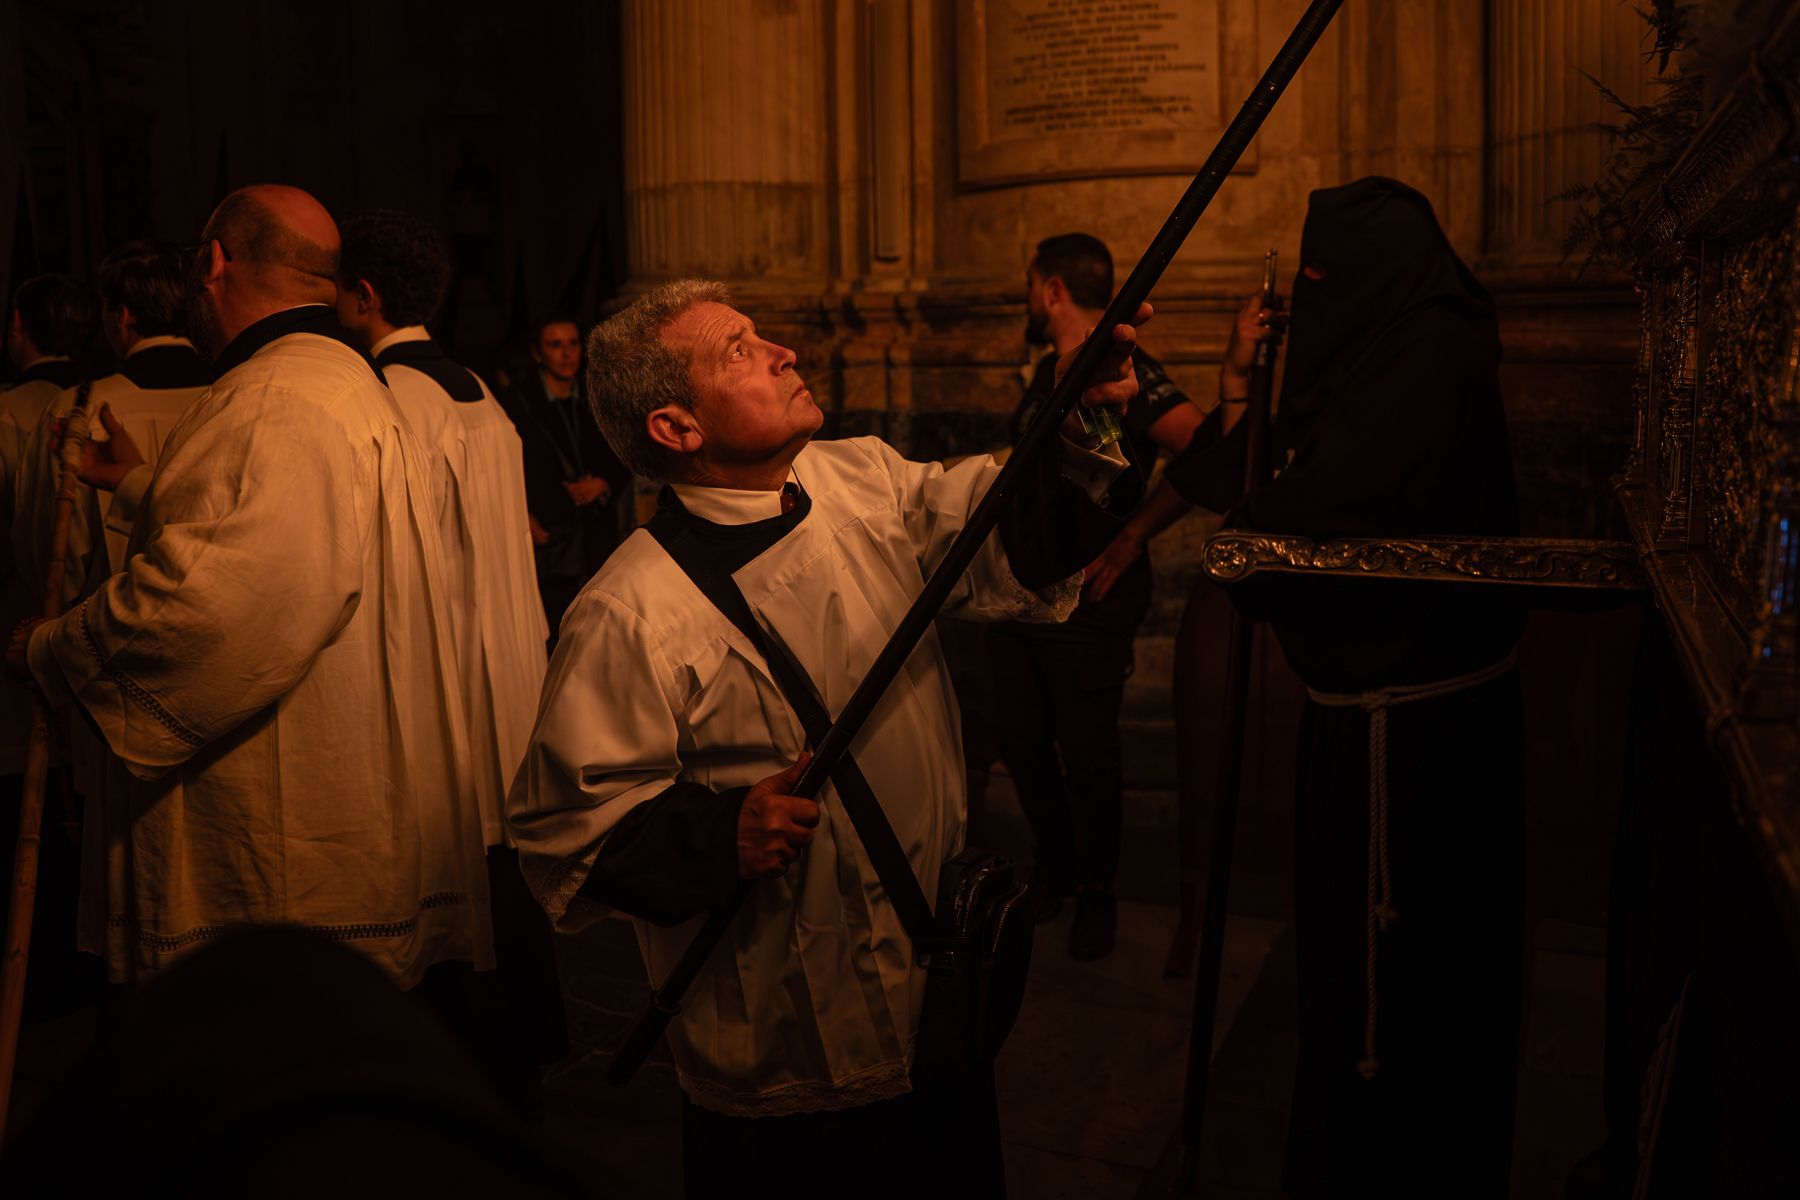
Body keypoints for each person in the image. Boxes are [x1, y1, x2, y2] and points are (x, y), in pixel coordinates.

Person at [506, 278, 1150, 1195]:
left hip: (937, 994)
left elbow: (1010, 531)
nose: (784, 353)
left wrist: (1082, 421)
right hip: (787, 1034)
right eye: (738, 351)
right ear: (677, 429)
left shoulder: (864, 478)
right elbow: (567, 829)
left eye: (762, 338)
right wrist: (718, 832)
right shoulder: (627, 609)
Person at [4, 184, 492, 992]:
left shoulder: (276, 399)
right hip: (336, 831)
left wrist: (49, 648)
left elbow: (213, 607)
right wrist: (138, 487)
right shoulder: (333, 379)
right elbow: (273, 538)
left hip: (280, 868)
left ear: (215, 264)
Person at [1160, 177, 1526, 1196]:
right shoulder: (1373, 349)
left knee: (1408, 1000)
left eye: (1329, 275)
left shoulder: (1435, 353)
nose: (1314, 292)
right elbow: (1260, 466)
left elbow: (1344, 486)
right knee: (1340, 981)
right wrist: (1245, 381)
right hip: (1355, 722)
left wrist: (1254, 534)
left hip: (1417, 734)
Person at [337, 208, 567, 1105]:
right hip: (505, 665)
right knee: (501, 868)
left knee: (452, 874)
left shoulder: (391, 403)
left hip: (441, 672)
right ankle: (524, 1055)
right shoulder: (477, 389)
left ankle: (466, 1078)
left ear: (364, 296)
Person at [992, 233, 1202, 960]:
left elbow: (1204, 446)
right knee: (1020, 737)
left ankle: (1097, 895)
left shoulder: (1119, 367)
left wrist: (1134, 535)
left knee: (1087, 752)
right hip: (1024, 597)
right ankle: (1055, 868)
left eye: (1030, 285)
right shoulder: (1049, 368)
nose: (1028, 299)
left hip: (1090, 600)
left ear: (1050, 289)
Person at [498, 313, 631, 637]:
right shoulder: (517, 402)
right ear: (537, 353)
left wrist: (603, 483)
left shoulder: (596, 396)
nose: (567, 353)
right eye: (555, 345)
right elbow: (503, 463)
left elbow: (624, 451)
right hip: (549, 538)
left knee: (600, 627)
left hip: (594, 534)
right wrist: (521, 514)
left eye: (573, 344)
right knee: (555, 629)